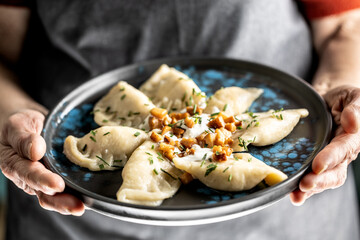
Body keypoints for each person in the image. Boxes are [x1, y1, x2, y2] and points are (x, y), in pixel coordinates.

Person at [0, 0, 359, 239]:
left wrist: (339, 92)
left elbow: (345, 26)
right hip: (72, 218)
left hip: (288, 220)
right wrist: (9, 113)